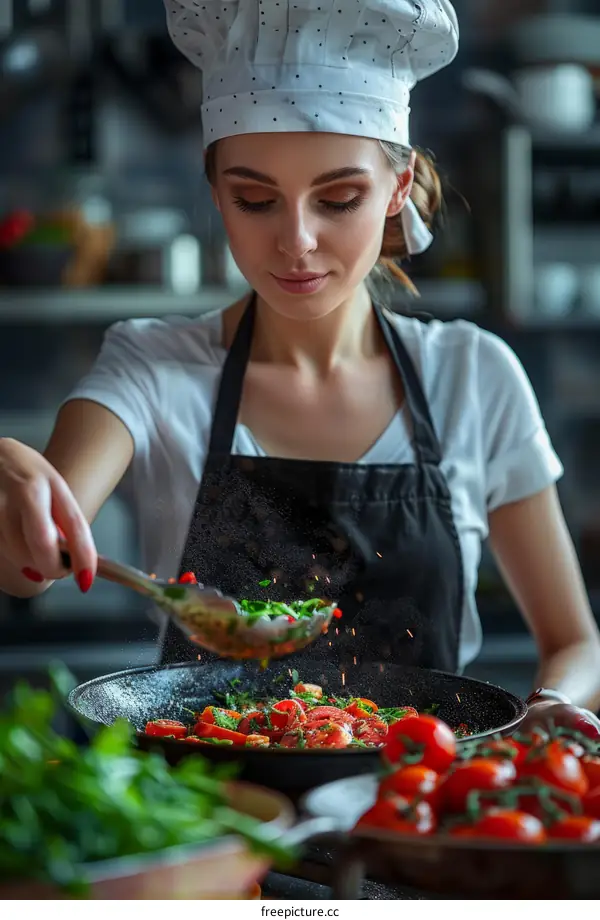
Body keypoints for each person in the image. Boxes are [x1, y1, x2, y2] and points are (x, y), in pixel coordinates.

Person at [0, 0, 599, 734]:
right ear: (216, 191)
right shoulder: (152, 365)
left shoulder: (476, 378)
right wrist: (16, 491)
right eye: (255, 200)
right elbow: (26, 566)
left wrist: (552, 707)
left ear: (397, 188)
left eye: (339, 198)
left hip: (412, 814)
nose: (298, 242)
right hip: (216, 820)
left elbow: (575, 640)